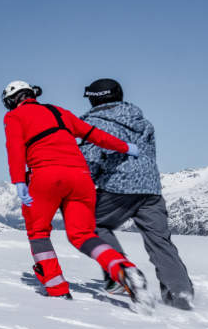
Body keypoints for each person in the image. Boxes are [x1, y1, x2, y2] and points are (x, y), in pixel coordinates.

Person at [1, 80, 153, 304]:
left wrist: (18, 181)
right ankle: (122, 267)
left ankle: (56, 288)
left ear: (12, 101)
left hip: (46, 176)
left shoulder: (14, 116)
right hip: (80, 178)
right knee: (83, 234)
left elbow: (15, 147)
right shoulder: (59, 112)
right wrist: (126, 147)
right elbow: (95, 135)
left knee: (38, 232)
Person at [80, 78, 194, 310]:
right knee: (160, 242)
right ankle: (180, 294)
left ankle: (120, 272)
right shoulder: (141, 121)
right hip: (150, 188)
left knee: (89, 223)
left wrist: (83, 181)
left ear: (93, 99)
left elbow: (89, 159)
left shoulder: (94, 124)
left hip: (117, 187)